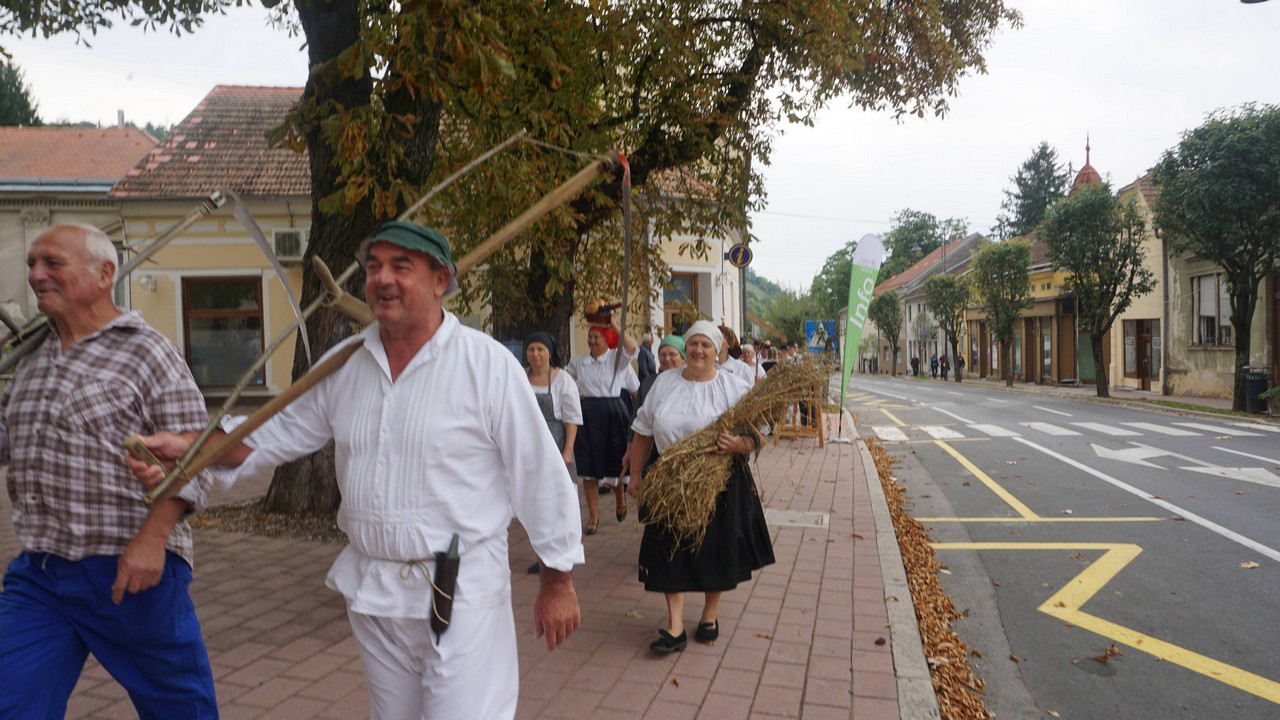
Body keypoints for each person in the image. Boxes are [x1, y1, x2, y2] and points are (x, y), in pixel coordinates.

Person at [128, 221, 583, 720]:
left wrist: (557, 580)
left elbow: (538, 473)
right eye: (373, 267)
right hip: (374, 590)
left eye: (400, 267)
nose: (381, 279)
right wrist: (188, 450)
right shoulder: (344, 364)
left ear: (440, 281)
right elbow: (265, 435)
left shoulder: (488, 365)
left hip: (462, 591)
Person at [0, 224, 218, 719]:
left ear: (104, 274)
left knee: (179, 711)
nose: (35, 275)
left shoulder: (148, 353)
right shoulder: (32, 361)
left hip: (130, 571)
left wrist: (152, 540)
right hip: (42, 574)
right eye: (32, 263)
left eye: (52, 263)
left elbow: (198, 456)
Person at [628, 320, 774, 653]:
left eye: (705, 345)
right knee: (668, 548)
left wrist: (737, 444)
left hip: (719, 479)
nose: (698, 350)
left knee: (716, 547)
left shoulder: (733, 388)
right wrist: (635, 476)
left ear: (717, 351)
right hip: (669, 478)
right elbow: (642, 433)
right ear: (685, 348)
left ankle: (709, 615)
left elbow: (759, 434)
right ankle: (674, 625)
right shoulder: (662, 385)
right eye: (693, 344)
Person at [565, 314, 639, 532]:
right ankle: (593, 517)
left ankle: (620, 500)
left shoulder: (617, 358)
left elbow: (633, 349)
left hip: (613, 413)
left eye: (597, 337)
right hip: (588, 413)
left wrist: (615, 324)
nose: (592, 341)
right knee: (589, 468)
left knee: (615, 464)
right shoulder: (579, 361)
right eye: (590, 337)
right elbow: (564, 381)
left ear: (607, 339)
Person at [524, 331, 583, 574]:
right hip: (529, 443)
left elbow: (571, 418)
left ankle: (559, 554)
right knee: (535, 501)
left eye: (540, 349)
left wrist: (567, 450)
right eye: (531, 350)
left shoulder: (562, 379)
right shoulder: (520, 376)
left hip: (555, 443)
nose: (536, 354)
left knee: (558, 500)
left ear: (550, 352)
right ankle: (542, 555)